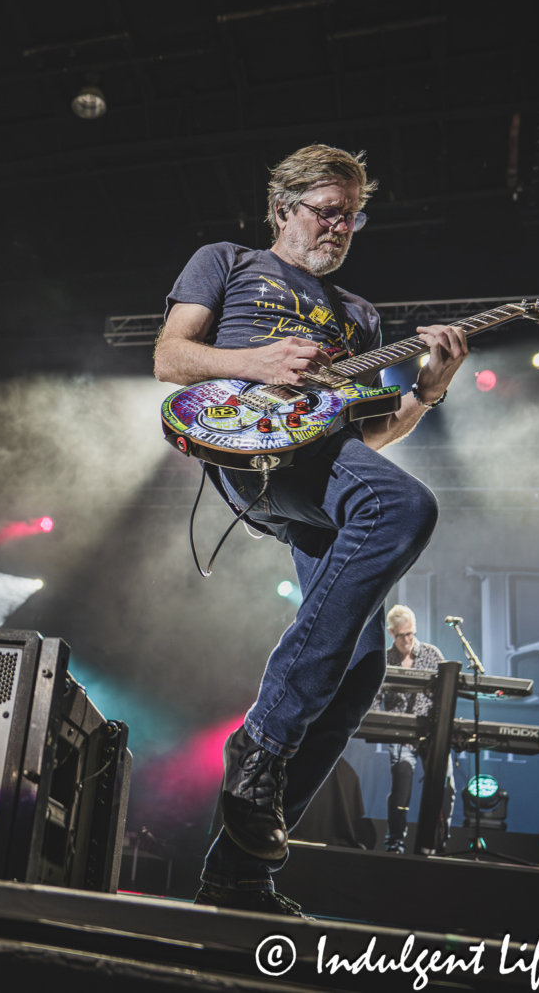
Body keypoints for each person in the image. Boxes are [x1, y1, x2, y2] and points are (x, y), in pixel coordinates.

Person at [153, 144, 469, 915]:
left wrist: (426, 393)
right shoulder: (226, 261)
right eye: (328, 209)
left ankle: (238, 873)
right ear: (284, 207)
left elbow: (362, 442)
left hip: (325, 465)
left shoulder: (360, 316)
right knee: (406, 505)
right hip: (247, 441)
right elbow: (169, 355)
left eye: (353, 215)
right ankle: (261, 738)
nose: (341, 226)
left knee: (361, 669)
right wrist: (258, 359)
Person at [378, 604, 455, 853]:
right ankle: (395, 843)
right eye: (402, 635)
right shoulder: (385, 659)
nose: (408, 640)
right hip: (401, 735)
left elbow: (447, 693)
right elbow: (373, 695)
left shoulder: (432, 655)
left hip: (433, 734)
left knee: (445, 788)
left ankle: (437, 842)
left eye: (411, 633)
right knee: (401, 789)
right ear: (391, 633)